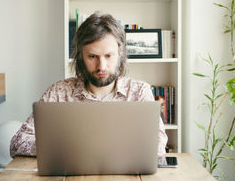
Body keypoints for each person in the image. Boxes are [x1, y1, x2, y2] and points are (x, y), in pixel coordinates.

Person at [10, 12, 168, 157]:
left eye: (108, 56)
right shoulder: (58, 92)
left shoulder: (140, 92)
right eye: (92, 56)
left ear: (120, 52)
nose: (101, 66)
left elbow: (158, 145)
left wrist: (97, 147)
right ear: (80, 56)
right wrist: (65, 147)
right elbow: (17, 143)